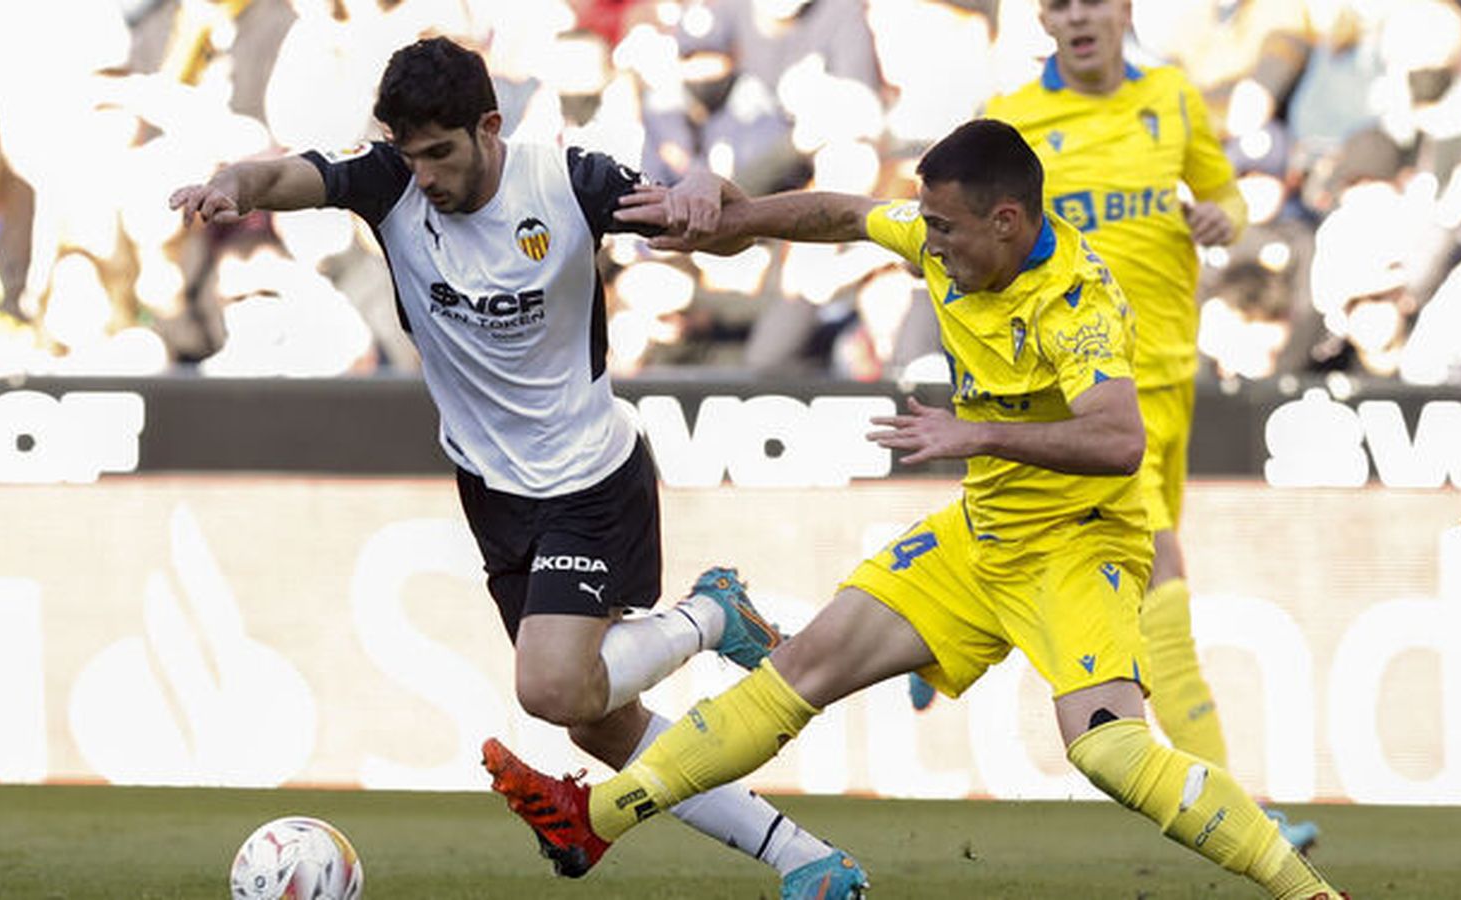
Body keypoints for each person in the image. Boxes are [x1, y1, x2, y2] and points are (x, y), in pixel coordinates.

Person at [482, 118, 1346, 900]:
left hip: (1077, 549)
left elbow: (1120, 439)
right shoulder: (945, 239)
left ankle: (1310, 895)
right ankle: (595, 819)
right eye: (926, 224)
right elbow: (848, 216)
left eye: (944, 228)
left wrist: (977, 434)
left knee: (1107, 749)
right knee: (801, 669)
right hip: (983, 539)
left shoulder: (1073, 305)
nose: (927, 241)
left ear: (1006, 222)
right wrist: (743, 220)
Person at [167, 35, 866, 900]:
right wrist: (231, 184)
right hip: (493, 494)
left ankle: (709, 616)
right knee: (601, 729)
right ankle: (808, 863)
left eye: (440, 153)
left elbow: (717, 234)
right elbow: (280, 176)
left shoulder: (568, 185)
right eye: (409, 154)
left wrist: (699, 199)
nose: (423, 175)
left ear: (489, 127)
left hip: (588, 479)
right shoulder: (388, 184)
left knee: (551, 686)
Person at [979, 0, 1320, 849]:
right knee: (1162, 570)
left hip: (1173, 373)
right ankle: (1242, 808)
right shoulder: (1012, 119)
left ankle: (972, 623)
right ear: (1044, 22)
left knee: (1123, 572)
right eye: (1058, 4)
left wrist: (1223, 220)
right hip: (1090, 390)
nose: (1078, 16)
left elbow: (1227, 194)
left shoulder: (1171, 95)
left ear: (1123, 9)